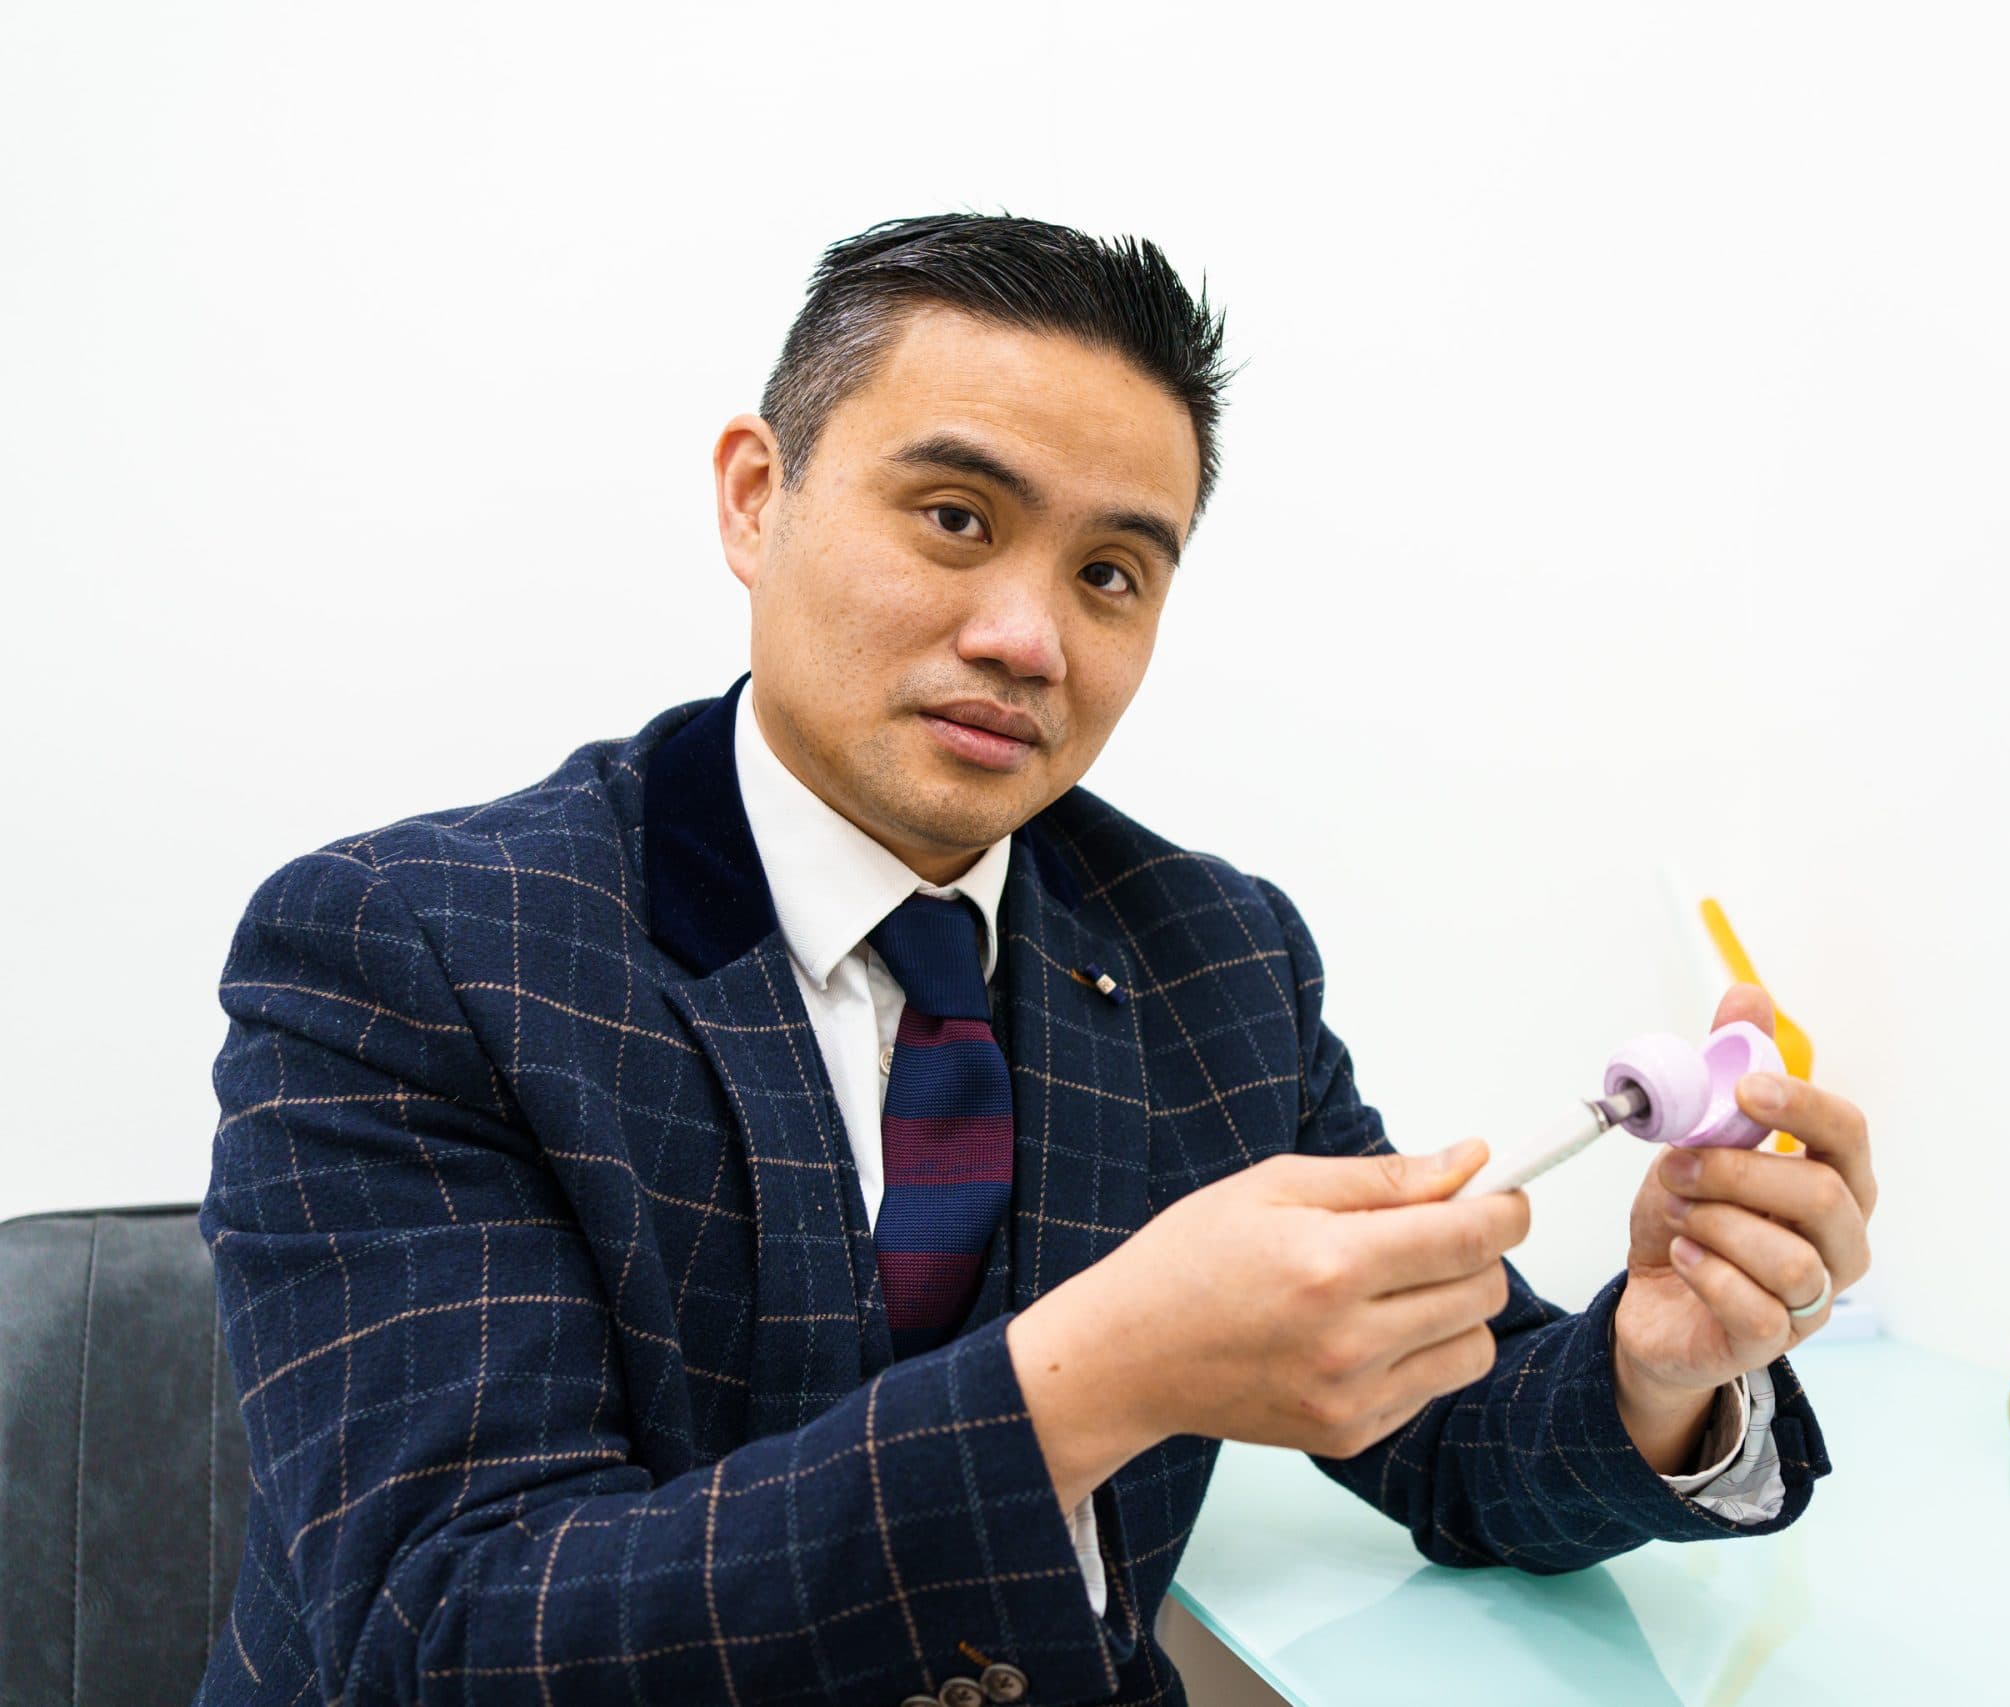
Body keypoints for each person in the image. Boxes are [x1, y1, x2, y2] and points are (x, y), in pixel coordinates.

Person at [197, 214, 1879, 1707]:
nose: (1028, 636)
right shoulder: (411, 951)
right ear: (754, 497)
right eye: (950, 516)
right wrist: (1099, 1377)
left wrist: (1662, 1370)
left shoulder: (1213, 954)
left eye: (1110, 573)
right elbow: (453, 1636)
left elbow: (1451, 1434)